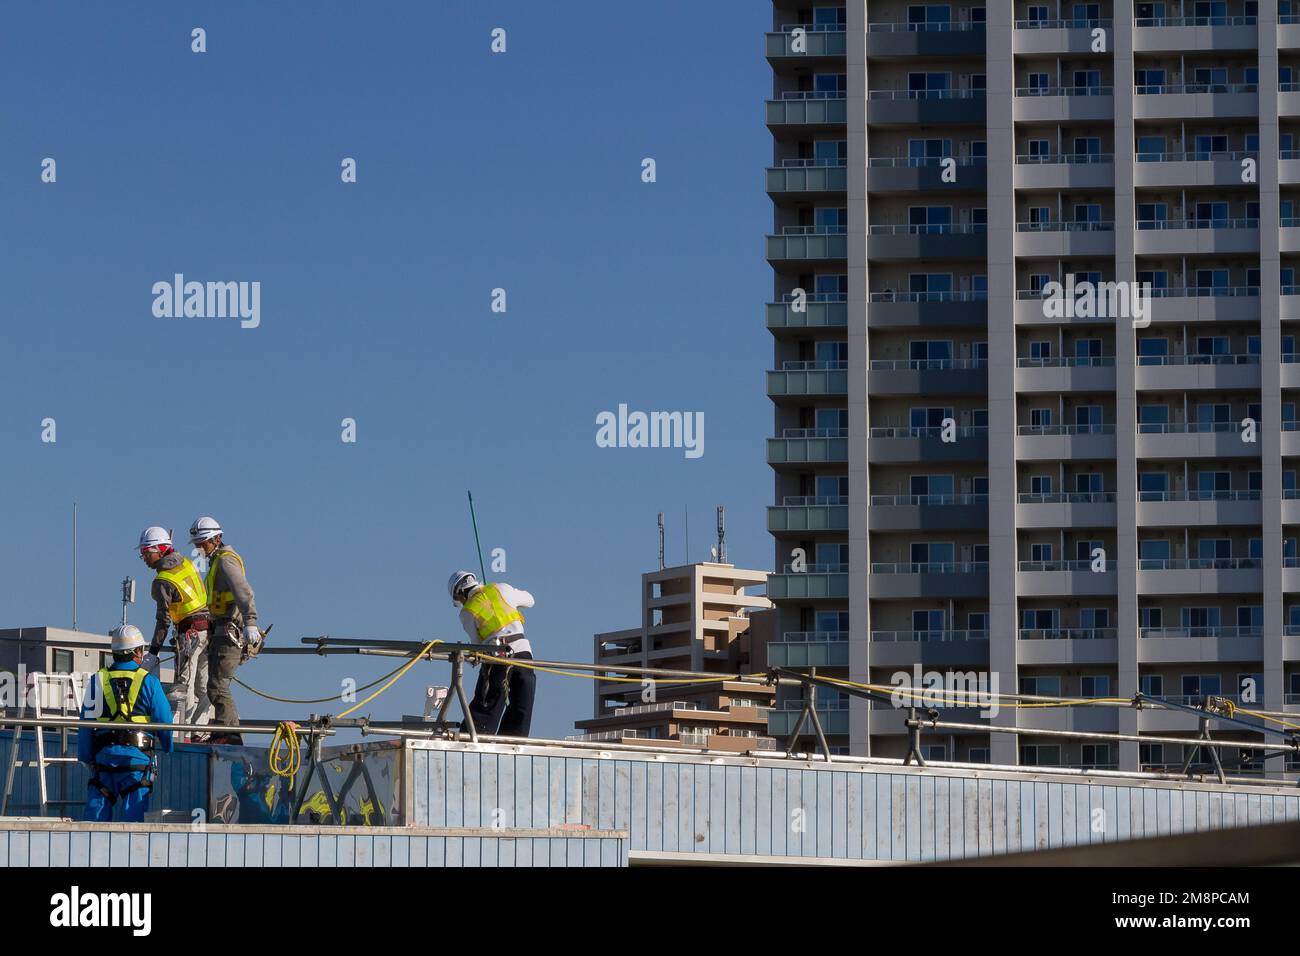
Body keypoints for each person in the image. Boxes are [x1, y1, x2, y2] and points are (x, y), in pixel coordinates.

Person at [78, 625, 174, 822]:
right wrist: (168, 747)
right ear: (138, 652)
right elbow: (165, 721)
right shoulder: (149, 681)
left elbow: (85, 724)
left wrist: (87, 757)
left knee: (94, 819)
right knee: (133, 822)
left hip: (104, 760)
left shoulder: (98, 680)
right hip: (136, 762)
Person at [189, 516, 261, 745]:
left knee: (218, 686)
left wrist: (250, 622)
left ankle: (228, 736)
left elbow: (244, 591)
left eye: (203, 543)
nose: (200, 548)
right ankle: (225, 732)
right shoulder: (216, 561)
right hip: (220, 630)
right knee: (215, 685)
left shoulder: (225, 561)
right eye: (198, 544)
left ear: (217, 539)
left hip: (231, 631)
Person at [137, 525, 213, 737]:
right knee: (204, 686)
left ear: (159, 549)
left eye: (145, 552)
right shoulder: (186, 563)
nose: (143, 558)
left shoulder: (162, 581)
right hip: (209, 630)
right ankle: (200, 731)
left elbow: (163, 620)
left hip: (189, 634)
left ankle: (184, 734)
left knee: (183, 685)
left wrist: (153, 652)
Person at [448, 570, 536, 737]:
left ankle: (472, 737)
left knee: (488, 703)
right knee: (521, 703)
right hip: (523, 652)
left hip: (498, 655)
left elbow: (477, 645)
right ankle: (513, 741)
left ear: (460, 592)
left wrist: (473, 658)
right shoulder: (501, 588)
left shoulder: (467, 612)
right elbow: (530, 600)